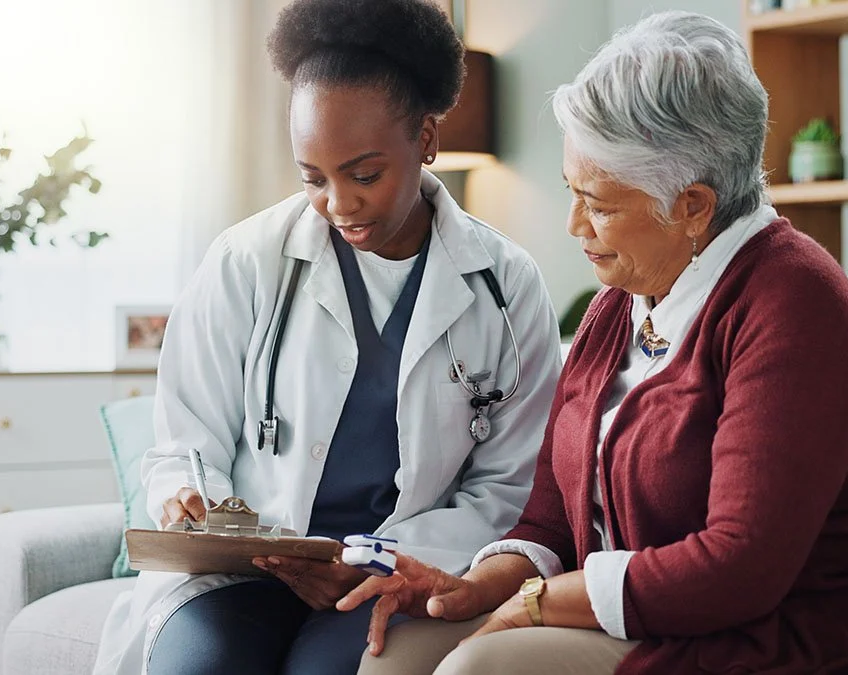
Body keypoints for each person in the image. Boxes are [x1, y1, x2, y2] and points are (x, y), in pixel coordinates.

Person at [340, 11, 848, 675]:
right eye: (574, 192)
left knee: (478, 670)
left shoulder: (795, 304)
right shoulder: (615, 309)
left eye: (598, 203)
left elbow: (740, 567)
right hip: (635, 609)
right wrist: (473, 588)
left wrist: (543, 600)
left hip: (779, 624)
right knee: (394, 653)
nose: (574, 224)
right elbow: (549, 522)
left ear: (692, 206)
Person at [91, 1, 563, 673]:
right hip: (247, 572)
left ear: (426, 138)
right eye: (313, 177)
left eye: (364, 173)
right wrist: (188, 498)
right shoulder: (246, 261)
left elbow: (506, 489)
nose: (339, 203)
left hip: (390, 575)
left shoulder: (507, 286)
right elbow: (185, 442)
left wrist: (375, 560)